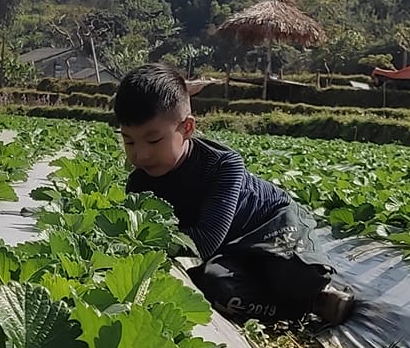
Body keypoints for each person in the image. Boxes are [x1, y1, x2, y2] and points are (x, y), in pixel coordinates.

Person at [114, 63, 357, 326]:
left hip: (272, 226)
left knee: (302, 277)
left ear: (186, 129)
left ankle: (317, 296)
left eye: (153, 141)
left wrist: (140, 242)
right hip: (232, 251)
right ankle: (306, 306)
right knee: (212, 285)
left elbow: (204, 242)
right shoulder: (139, 183)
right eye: (129, 141)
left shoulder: (223, 165)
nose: (141, 154)